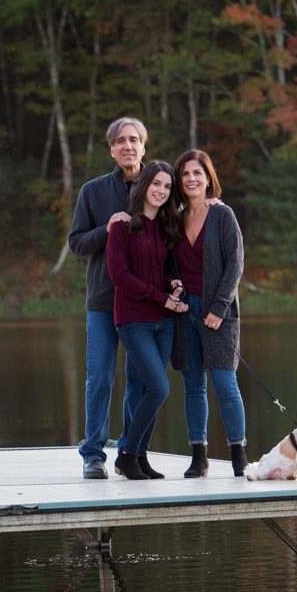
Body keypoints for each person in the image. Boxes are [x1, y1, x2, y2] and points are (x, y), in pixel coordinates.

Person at [68, 117, 148, 480]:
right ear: (112, 149)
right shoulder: (93, 191)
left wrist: (211, 200)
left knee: (139, 378)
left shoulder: (160, 186)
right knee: (100, 377)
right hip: (103, 301)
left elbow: (185, 219)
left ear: (144, 145)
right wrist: (107, 228)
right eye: (120, 141)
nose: (128, 146)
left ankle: (130, 450)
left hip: (144, 304)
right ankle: (93, 454)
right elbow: (77, 243)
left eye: (134, 140)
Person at [105, 161, 188, 481]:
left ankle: (139, 456)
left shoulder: (166, 228)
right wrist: (161, 297)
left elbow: (162, 272)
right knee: (158, 387)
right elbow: (120, 276)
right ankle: (126, 454)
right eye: (157, 184)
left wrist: (172, 285)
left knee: (143, 389)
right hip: (134, 320)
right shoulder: (123, 226)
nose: (162, 191)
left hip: (164, 322)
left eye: (168, 187)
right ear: (144, 186)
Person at [171, 149, 249, 478]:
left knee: (225, 383)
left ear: (208, 179)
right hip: (184, 310)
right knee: (193, 386)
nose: (191, 179)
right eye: (186, 174)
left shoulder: (222, 215)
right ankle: (198, 457)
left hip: (219, 310)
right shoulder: (172, 216)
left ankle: (238, 455)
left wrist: (218, 308)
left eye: (197, 173)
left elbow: (235, 263)